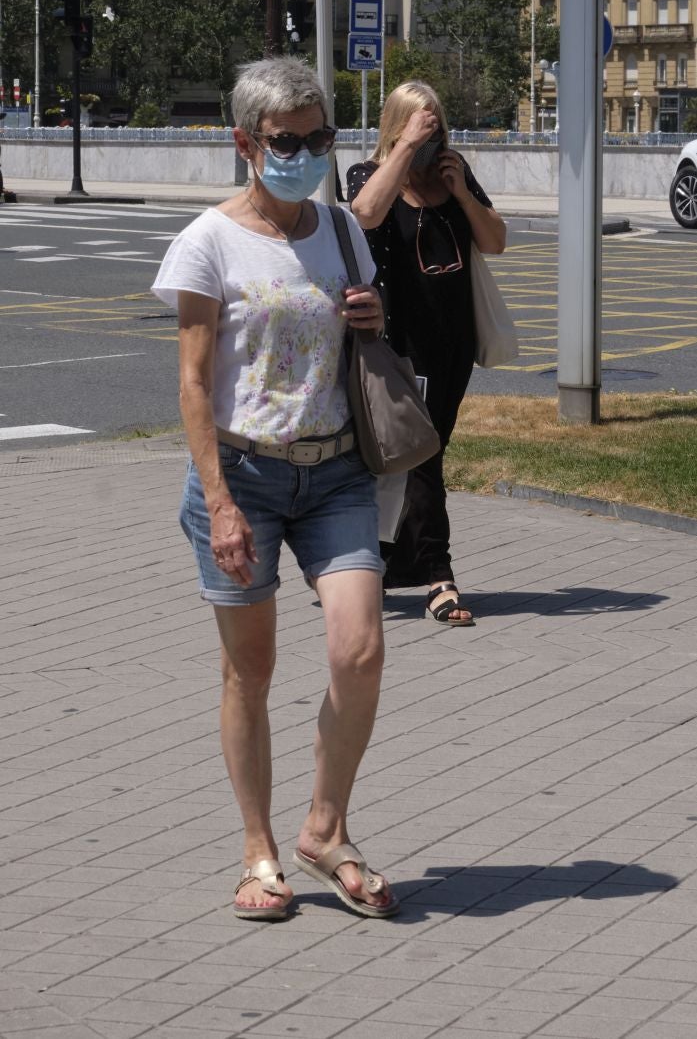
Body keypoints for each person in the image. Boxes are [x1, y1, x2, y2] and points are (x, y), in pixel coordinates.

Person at [152, 58, 398, 923]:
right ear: (246, 143)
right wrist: (218, 501)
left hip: (335, 471)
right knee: (249, 672)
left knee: (359, 649)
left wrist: (369, 316)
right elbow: (191, 384)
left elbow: (359, 327)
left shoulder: (340, 229)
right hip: (243, 474)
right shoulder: (208, 242)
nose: (304, 154)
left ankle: (325, 830)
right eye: (286, 141)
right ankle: (258, 854)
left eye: (318, 138)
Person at [347, 82, 506, 627]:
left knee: (415, 456)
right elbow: (366, 213)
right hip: (395, 344)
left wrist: (461, 191)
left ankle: (375, 565)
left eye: (437, 124)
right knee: (418, 454)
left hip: (451, 344)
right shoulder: (369, 174)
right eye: (421, 124)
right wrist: (400, 153)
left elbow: (496, 240)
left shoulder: (452, 173)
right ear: (397, 126)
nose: (431, 135)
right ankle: (438, 575)